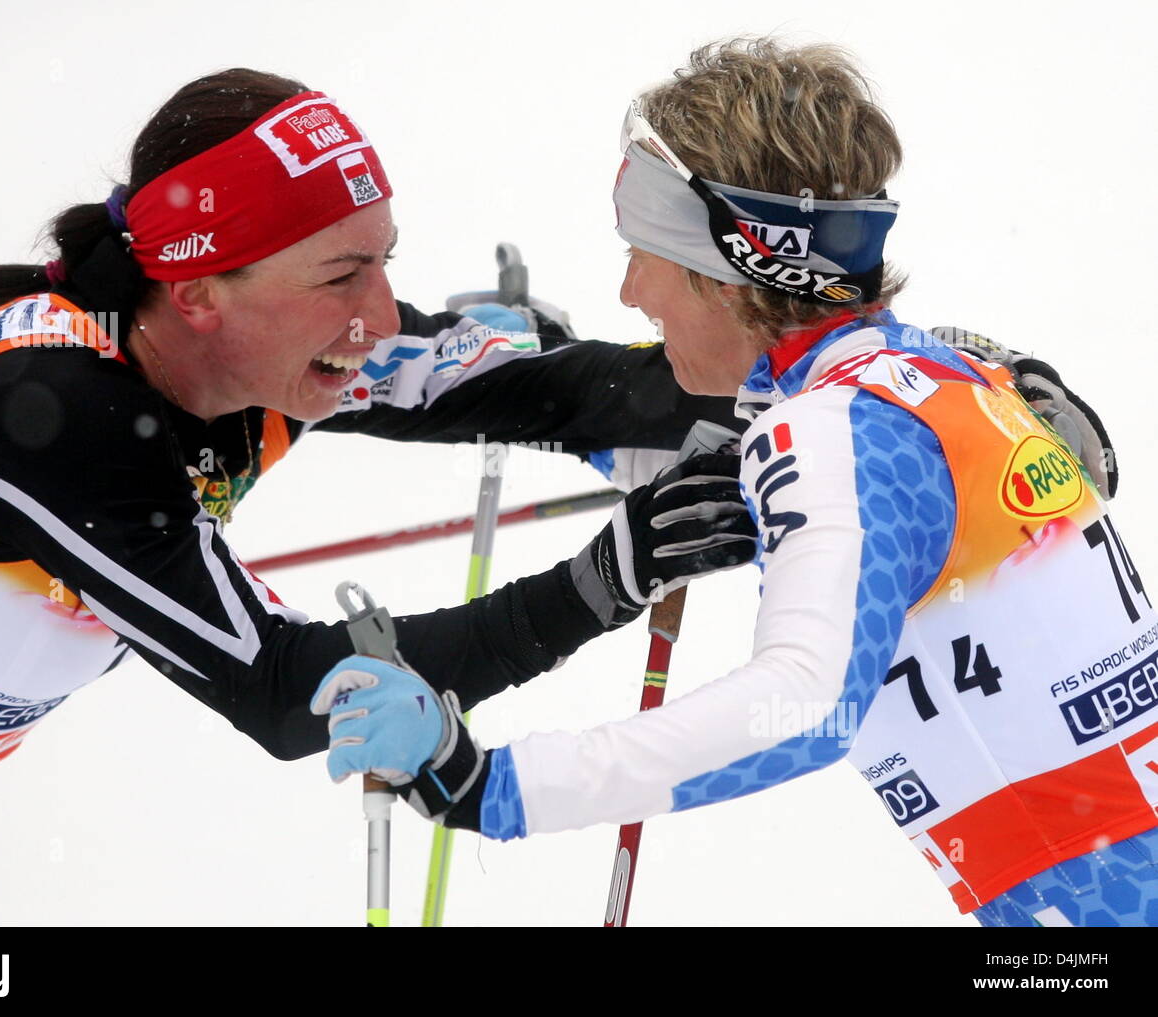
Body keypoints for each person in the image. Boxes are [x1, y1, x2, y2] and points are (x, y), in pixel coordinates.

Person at [0, 68, 759, 926]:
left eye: (383, 263)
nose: (387, 317)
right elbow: (289, 687)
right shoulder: (54, 416)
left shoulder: (253, 358)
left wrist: (826, 383)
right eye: (341, 275)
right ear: (200, 288)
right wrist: (600, 583)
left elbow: (555, 390)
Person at [314, 38, 1158, 927]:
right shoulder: (940, 376)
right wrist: (523, 363)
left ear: (737, 272)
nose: (631, 288)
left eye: (648, 252)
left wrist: (487, 784)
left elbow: (804, 706)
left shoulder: (835, 428)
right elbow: (722, 462)